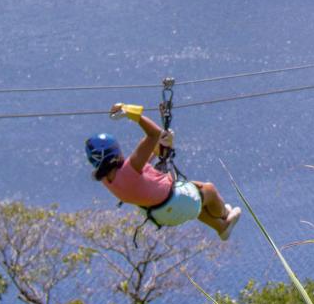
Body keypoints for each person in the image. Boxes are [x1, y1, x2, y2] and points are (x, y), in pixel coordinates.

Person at [86, 103, 242, 240]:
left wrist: (160, 145)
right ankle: (224, 216)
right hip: (177, 202)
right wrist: (130, 112)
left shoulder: (107, 179)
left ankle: (221, 228)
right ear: (116, 152)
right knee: (209, 190)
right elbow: (153, 133)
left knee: (196, 194)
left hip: (159, 214)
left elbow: (142, 163)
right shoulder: (129, 168)